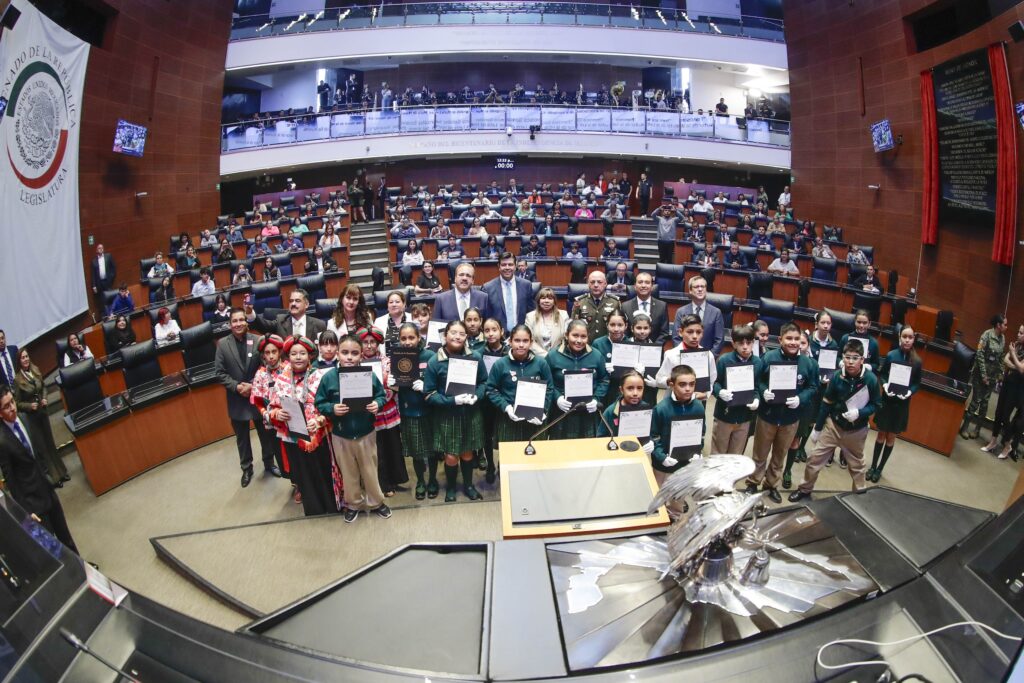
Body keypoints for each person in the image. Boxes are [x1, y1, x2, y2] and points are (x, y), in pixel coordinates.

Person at [789, 339, 882, 501]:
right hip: (834, 426)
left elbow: (877, 404)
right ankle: (804, 490)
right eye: (847, 357)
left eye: (855, 358)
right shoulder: (837, 377)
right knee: (814, 459)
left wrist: (860, 412)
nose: (851, 361)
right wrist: (818, 429)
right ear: (842, 358)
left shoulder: (871, 380)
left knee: (858, 467)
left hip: (856, 429)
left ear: (862, 360)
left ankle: (859, 498)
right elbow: (826, 404)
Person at [314, 334, 391, 522]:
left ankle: (376, 502)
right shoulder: (329, 378)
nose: (349, 357)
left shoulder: (369, 375)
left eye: (354, 353)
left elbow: (381, 395)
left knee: (370, 470)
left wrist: (377, 404)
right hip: (341, 434)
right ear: (338, 354)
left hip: (366, 433)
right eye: (345, 352)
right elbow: (319, 402)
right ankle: (353, 503)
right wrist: (331, 409)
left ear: (361, 355)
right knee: (348, 472)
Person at [743, 323, 819, 503]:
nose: (793, 342)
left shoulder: (809, 364)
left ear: (801, 341)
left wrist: (801, 398)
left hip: (790, 418)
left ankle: (770, 485)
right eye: (789, 338)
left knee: (779, 455)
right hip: (767, 415)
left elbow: (813, 387)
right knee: (759, 453)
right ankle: (753, 482)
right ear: (780, 340)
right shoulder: (768, 357)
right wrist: (763, 392)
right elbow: (759, 380)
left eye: (796, 339)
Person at [0, 385, 77, 552]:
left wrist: (48, 476)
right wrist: (26, 511)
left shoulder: (25, 419)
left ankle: (83, 571)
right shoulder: (2, 441)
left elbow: (38, 454)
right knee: (52, 548)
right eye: (6, 406)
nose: (12, 408)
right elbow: (11, 481)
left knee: (66, 538)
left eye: (12, 402)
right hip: (33, 502)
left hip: (47, 489)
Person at [214, 308, 282, 487]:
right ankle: (247, 468)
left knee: (265, 434)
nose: (238, 324)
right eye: (234, 321)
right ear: (230, 324)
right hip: (237, 398)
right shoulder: (222, 344)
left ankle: (269, 463)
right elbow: (219, 373)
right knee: (242, 438)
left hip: (257, 396)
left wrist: (253, 385)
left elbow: (265, 365)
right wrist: (237, 387)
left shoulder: (257, 340)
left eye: (241, 320)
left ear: (246, 322)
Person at [423, 320, 488, 502]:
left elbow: (484, 383)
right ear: (445, 335)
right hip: (447, 415)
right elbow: (428, 394)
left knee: (467, 452)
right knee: (451, 455)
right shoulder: (434, 361)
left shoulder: (475, 357)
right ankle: (451, 487)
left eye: (461, 334)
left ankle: (468, 485)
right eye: (453, 333)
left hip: (470, 413)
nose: (457, 337)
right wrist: (452, 400)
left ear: (466, 337)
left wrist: (478, 395)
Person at [486, 324, 553, 468]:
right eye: (517, 340)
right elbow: (491, 389)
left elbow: (549, 388)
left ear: (531, 342)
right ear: (510, 341)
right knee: (509, 461)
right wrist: (506, 407)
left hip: (535, 420)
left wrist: (544, 411)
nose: (521, 345)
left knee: (535, 459)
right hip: (508, 420)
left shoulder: (541, 363)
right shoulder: (500, 364)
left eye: (525, 341)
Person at [868, 326, 923, 481]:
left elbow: (917, 383)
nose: (907, 340)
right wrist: (884, 385)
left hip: (901, 405)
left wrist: (910, 392)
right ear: (900, 337)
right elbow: (883, 374)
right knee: (880, 435)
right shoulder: (892, 355)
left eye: (910, 337)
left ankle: (879, 469)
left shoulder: (917, 361)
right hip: (887, 401)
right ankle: (872, 466)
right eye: (904, 336)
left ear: (914, 339)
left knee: (891, 437)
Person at [361, 327, 408, 497]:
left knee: (393, 447)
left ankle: (396, 479)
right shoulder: (356, 364)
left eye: (372, 342)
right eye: (365, 342)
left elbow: (393, 386)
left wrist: (381, 400)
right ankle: (383, 483)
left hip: (388, 411)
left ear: (378, 343)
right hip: (369, 414)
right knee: (376, 451)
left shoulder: (387, 361)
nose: (369, 345)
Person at [392, 323, 437, 499]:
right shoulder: (397, 357)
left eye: (412, 337)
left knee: (432, 450)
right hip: (409, 410)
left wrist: (427, 386)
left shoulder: (430, 356)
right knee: (417, 451)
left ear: (419, 337)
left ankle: (432, 479)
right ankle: (420, 481)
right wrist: (393, 385)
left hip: (430, 410)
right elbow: (395, 386)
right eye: (403, 338)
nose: (408, 342)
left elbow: (440, 383)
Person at [546, 319, 609, 439]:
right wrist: (557, 397)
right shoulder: (553, 356)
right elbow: (546, 382)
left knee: (588, 451)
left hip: (588, 412)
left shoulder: (596, 355)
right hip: (562, 411)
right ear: (566, 335)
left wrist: (596, 399)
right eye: (575, 335)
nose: (579, 340)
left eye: (583, 336)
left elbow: (604, 380)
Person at [13, 349, 68, 486]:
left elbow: (43, 387)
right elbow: (17, 403)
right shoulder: (18, 379)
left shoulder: (35, 369)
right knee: (42, 447)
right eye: (22, 358)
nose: (25, 359)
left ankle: (62, 472)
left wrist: (44, 398)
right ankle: (55, 479)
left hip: (42, 412)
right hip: (32, 416)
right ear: (19, 362)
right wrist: (29, 406)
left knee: (50, 443)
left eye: (27, 357)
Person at [650, 365, 705, 495]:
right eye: (682, 385)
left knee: (679, 497)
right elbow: (653, 435)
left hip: (685, 463)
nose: (688, 389)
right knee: (658, 495)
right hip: (663, 464)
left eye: (692, 384)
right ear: (672, 385)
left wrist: (698, 451)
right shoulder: (661, 408)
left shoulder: (699, 407)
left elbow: (701, 433)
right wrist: (661, 457)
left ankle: (675, 514)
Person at [711, 325, 763, 455]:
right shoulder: (724, 360)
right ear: (734, 344)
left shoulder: (757, 362)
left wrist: (757, 398)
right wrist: (719, 392)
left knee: (736, 454)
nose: (745, 346)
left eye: (749, 343)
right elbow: (714, 383)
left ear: (753, 343)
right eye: (741, 343)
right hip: (725, 415)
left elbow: (757, 386)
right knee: (718, 452)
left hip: (744, 416)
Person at [249, 334, 290, 492]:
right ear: (263, 355)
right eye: (267, 353)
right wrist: (267, 414)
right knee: (281, 454)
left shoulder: (288, 368)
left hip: (290, 421)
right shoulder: (260, 374)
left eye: (274, 351)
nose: (271, 356)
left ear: (280, 351)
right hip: (272, 424)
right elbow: (257, 401)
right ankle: (294, 483)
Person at [961, 314, 1007, 440]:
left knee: (985, 404)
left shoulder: (1002, 338)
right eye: (1005, 324)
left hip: (992, 377)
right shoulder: (986, 335)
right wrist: (984, 375)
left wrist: (1000, 373)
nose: (1006, 327)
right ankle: (964, 427)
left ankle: (977, 430)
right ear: (998, 325)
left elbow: (1001, 357)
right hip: (980, 375)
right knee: (976, 401)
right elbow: (979, 355)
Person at [249, 288, 328, 342]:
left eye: (297, 301)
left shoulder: (319, 325)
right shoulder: (281, 321)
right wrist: (249, 312)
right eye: (291, 301)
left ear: (306, 304)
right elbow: (262, 326)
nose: (293, 304)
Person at [483, 252, 534, 333]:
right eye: (503, 265)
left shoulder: (526, 285)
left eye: (510, 264)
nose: (507, 267)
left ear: (515, 266)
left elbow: (531, 313)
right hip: (498, 338)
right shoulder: (488, 288)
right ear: (498, 266)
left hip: (521, 336)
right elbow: (487, 316)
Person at [673, 275, 724, 353]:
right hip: (684, 357)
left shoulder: (716, 312)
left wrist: (708, 358)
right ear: (690, 290)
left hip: (707, 358)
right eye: (696, 287)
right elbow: (676, 338)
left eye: (702, 287)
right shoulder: (681, 311)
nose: (700, 289)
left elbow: (719, 340)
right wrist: (683, 355)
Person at [619, 272, 668, 344]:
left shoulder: (662, 306)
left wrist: (653, 348)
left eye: (647, 282)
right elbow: (623, 331)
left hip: (655, 350)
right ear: (635, 286)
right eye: (640, 282)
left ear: (652, 286)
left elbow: (664, 333)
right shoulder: (625, 306)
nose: (643, 285)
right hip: (631, 349)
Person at [572, 271, 621, 341]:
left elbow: (619, 326)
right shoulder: (580, 302)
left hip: (607, 345)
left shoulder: (615, 302)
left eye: (599, 282)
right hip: (586, 345)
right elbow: (574, 326)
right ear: (588, 284)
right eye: (592, 282)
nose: (595, 285)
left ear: (605, 284)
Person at [525, 287, 569, 357]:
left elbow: (566, 339)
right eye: (543, 298)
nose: (546, 301)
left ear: (554, 302)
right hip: (536, 357)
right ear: (538, 301)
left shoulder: (563, 315)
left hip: (558, 356)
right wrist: (546, 355)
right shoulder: (530, 317)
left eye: (550, 298)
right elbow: (529, 340)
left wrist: (555, 355)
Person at [91, 243, 116, 308]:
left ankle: (112, 311)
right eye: (99, 248)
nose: (101, 249)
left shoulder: (108, 256)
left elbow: (113, 268)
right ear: (96, 250)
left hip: (107, 281)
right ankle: (106, 314)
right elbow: (93, 274)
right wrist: (94, 286)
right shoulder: (94, 261)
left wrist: (111, 277)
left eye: (102, 248)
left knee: (110, 296)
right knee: (102, 299)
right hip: (99, 283)